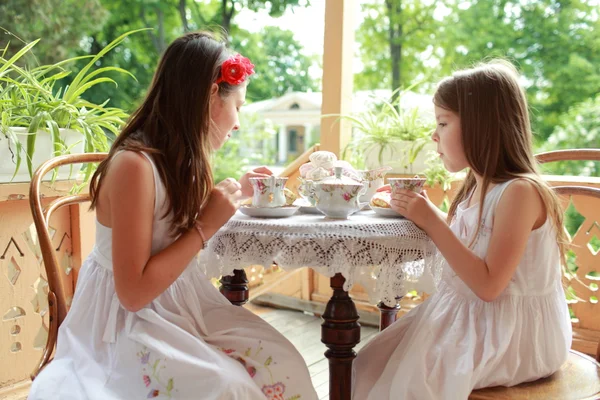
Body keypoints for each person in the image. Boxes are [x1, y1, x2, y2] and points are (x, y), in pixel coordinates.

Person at [28, 31, 317, 400]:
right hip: (124, 321)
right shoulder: (134, 166)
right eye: (239, 107)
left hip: (178, 303)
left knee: (283, 362)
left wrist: (240, 193)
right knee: (227, 387)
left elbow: (169, 228)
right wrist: (205, 226)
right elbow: (132, 293)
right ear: (211, 95)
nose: (239, 123)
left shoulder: (184, 161)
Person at [352, 60, 572, 400]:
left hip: (515, 336)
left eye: (442, 122)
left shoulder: (520, 192)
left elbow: (488, 285)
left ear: (481, 126)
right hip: (469, 317)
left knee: (411, 383)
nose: (433, 134)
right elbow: (472, 242)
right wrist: (422, 211)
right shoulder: (476, 185)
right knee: (367, 364)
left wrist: (430, 220)